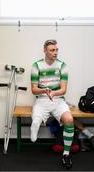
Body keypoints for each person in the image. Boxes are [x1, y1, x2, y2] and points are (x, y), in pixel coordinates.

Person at [30, 39, 74, 169]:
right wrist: (44, 90)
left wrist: (54, 93)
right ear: (45, 51)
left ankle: (66, 154)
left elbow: (63, 89)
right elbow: (33, 90)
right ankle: (35, 125)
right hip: (42, 99)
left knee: (69, 119)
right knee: (37, 117)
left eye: (56, 50)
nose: (55, 53)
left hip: (58, 100)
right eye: (52, 50)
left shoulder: (62, 66)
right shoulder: (36, 66)